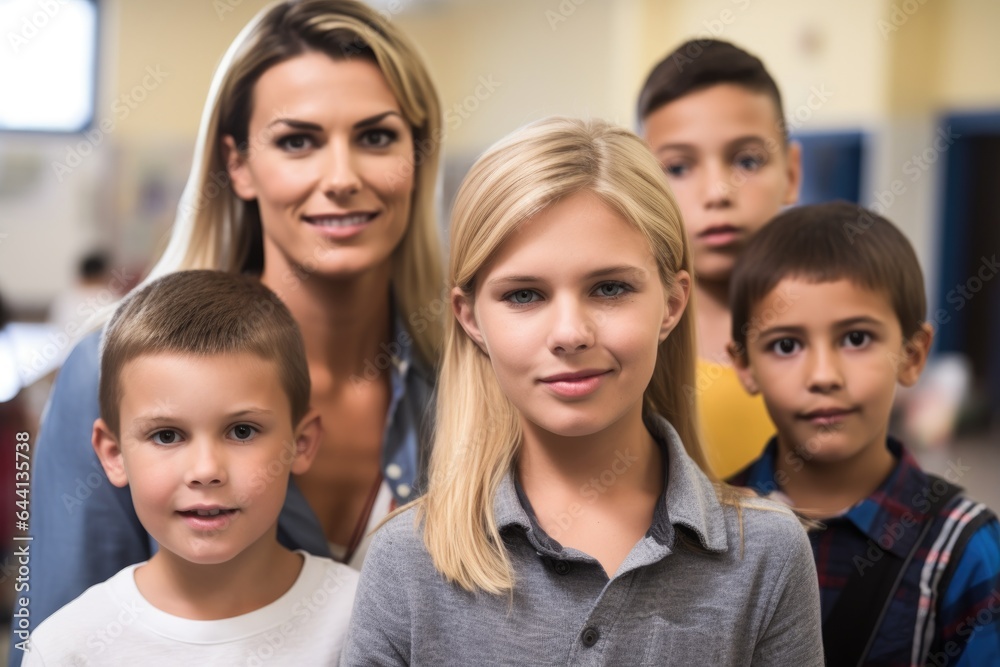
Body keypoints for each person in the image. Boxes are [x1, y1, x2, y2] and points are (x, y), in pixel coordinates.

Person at [16, 2, 444, 662]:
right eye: (298, 140)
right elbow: (58, 633)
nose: (341, 178)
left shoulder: (464, 380)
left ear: (418, 157)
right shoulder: (107, 367)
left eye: (376, 137)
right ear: (238, 163)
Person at [343, 117, 823, 665]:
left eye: (610, 288)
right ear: (469, 317)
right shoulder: (407, 561)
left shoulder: (768, 555)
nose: (570, 333)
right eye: (524, 295)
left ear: (671, 302)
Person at [22, 271, 358, 665]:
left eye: (242, 431)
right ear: (113, 455)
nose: (205, 470)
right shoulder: (67, 647)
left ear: (300, 444)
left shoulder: (363, 616)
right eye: (167, 436)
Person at [727, 202, 1000, 666]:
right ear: (745, 365)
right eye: (786, 345)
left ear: (912, 355)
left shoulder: (965, 548)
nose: (824, 375)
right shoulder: (705, 524)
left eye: (856, 339)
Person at [636, 39, 802, 478]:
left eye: (747, 160)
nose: (717, 193)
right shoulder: (627, 351)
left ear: (792, 173)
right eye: (677, 168)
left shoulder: (835, 340)